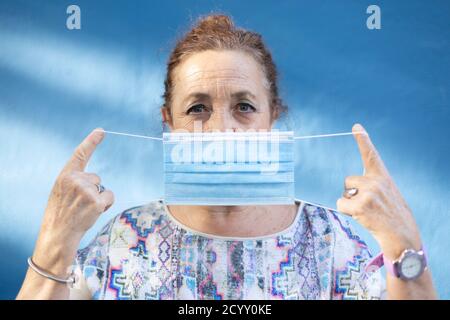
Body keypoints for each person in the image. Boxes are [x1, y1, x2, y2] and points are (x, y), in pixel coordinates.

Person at [17, 14, 437, 300]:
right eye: (197, 108)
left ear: (273, 117)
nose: (221, 128)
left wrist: (402, 239)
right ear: (170, 123)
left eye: (245, 106)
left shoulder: (333, 244)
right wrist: (56, 237)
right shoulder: (121, 240)